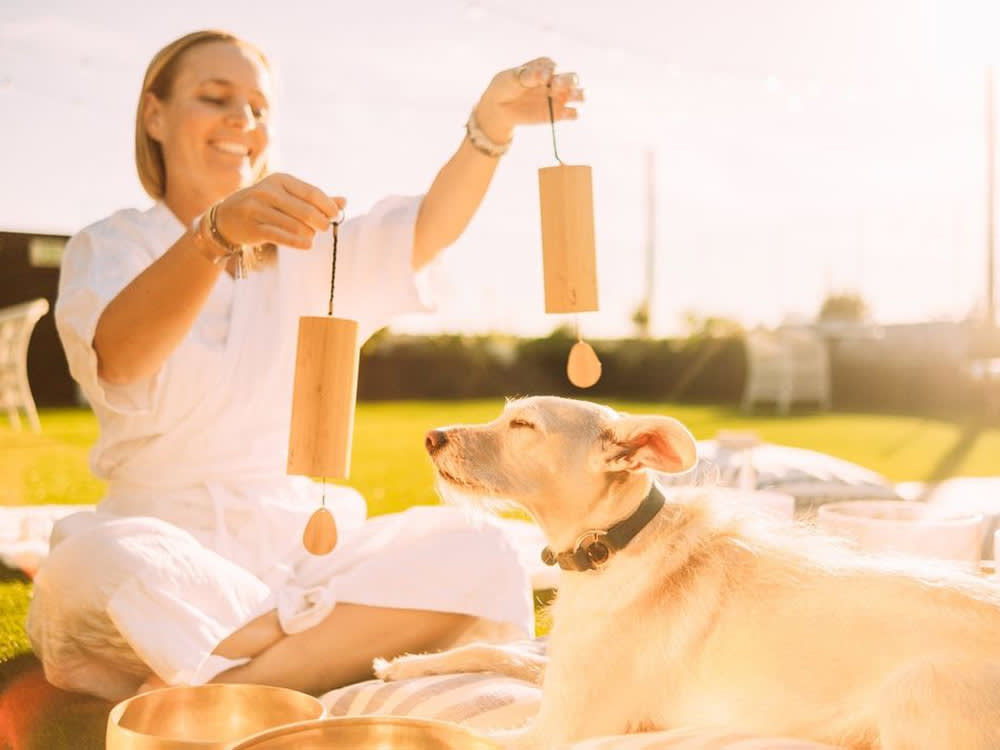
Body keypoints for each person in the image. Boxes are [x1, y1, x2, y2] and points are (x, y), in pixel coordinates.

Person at [26, 29, 583, 702]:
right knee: (93, 563)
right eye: (216, 97)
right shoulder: (109, 246)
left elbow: (426, 227)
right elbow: (119, 357)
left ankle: (215, 693)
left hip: (305, 553)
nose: (243, 120)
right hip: (168, 549)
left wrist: (490, 126)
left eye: (260, 108)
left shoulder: (305, 249)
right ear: (155, 115)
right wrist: (214, 235)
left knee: (481, 548)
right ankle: (303, 658)